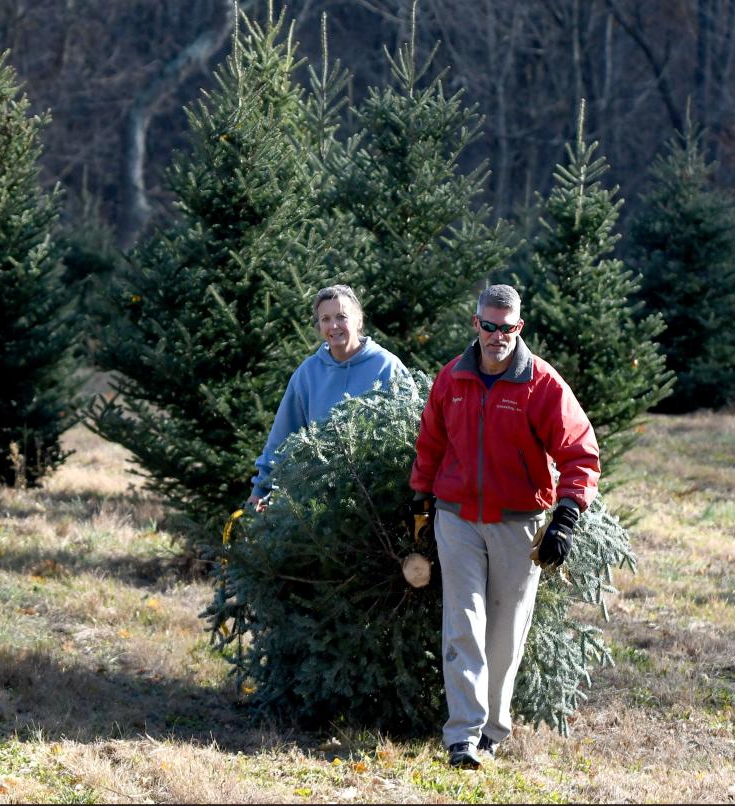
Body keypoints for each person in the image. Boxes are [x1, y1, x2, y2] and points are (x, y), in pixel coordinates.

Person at [409, 284, 600, 769]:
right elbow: (431, 442)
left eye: (507, 327)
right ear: (476, 324)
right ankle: (463, 737)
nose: (498, 336)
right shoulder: (452, 378)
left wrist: (567, 516)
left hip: (519, 523)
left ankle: (493, 730)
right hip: (457, 519)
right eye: (489, 326)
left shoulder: (543, 384)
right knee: (463, 622)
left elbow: (580, 453)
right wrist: (420, 499)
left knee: (505, 633)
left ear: (520, 327)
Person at [248, 284, 408, 511]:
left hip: (379, 501)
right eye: (325, 319)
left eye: (341, 317)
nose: (333, 326)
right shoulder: (308, 372)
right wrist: (261, 490)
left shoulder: (387, 366)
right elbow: (282, 436)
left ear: (358, 320)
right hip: (319, 504)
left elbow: (413, 434)